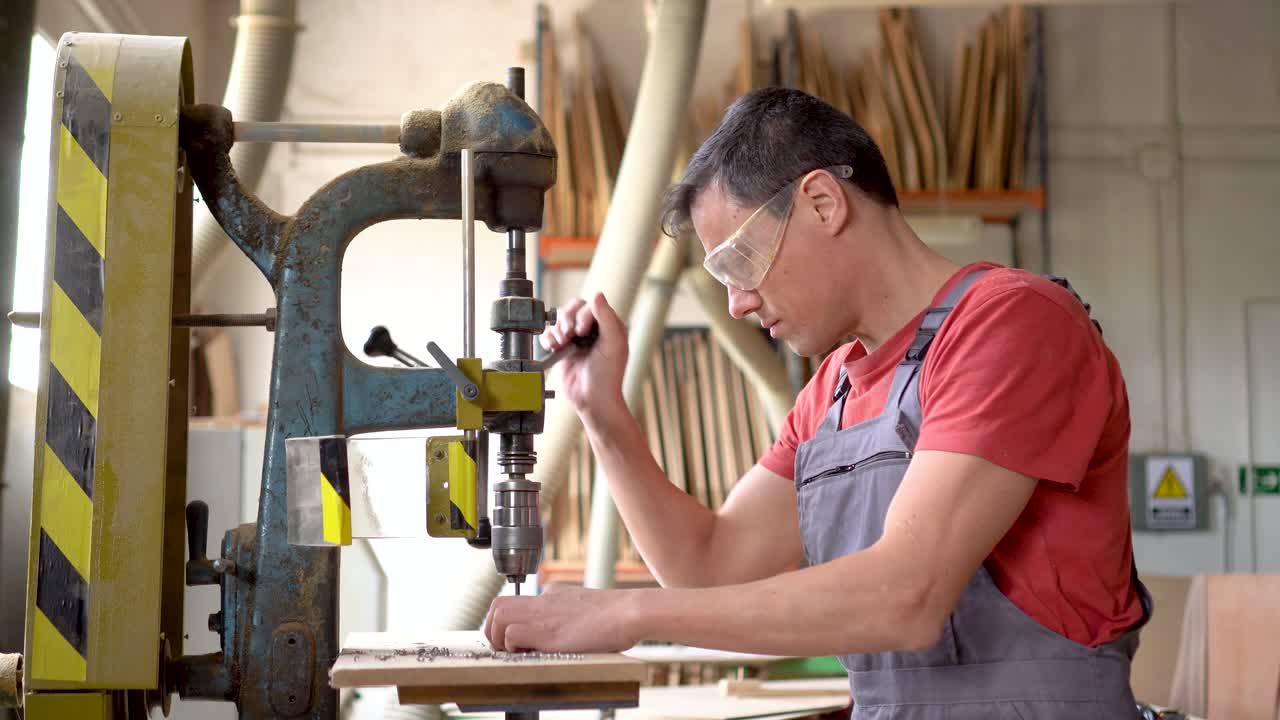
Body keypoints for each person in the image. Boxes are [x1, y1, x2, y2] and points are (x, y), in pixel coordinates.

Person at [485, 87, 1151, 718]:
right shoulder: (832, 390)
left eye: (739, 263)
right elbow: (709, 569)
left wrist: (627, 615)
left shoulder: (1011, 324)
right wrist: (601, 409)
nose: (737, 302)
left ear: (824, 202)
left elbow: (907, 594)